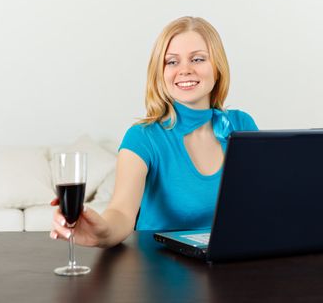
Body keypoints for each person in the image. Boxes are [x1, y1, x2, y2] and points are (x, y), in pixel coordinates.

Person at [50, 16, 258, 248]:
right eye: (171, 62)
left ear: (217, 67)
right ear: (160, 73)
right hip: (159, 269)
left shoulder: (242, 125)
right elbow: (121, 212)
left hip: (229, 267)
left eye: (197, 59)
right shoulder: (143, 137)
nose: (185, 70)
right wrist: (101, 232)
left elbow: (264, 201)